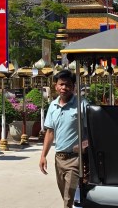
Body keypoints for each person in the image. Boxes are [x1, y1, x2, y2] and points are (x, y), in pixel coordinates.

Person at [39, 69, 88, 208]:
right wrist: (43, 156)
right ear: (56, 86)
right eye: (61, 84)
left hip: (75, 158)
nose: (64, 88)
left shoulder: (82, 104)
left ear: (73, 87)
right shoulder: (53, 106)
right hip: (59, 158)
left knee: (68, 196)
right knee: (65, 195)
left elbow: (90, 130)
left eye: (67, 85)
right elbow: (50, 132)